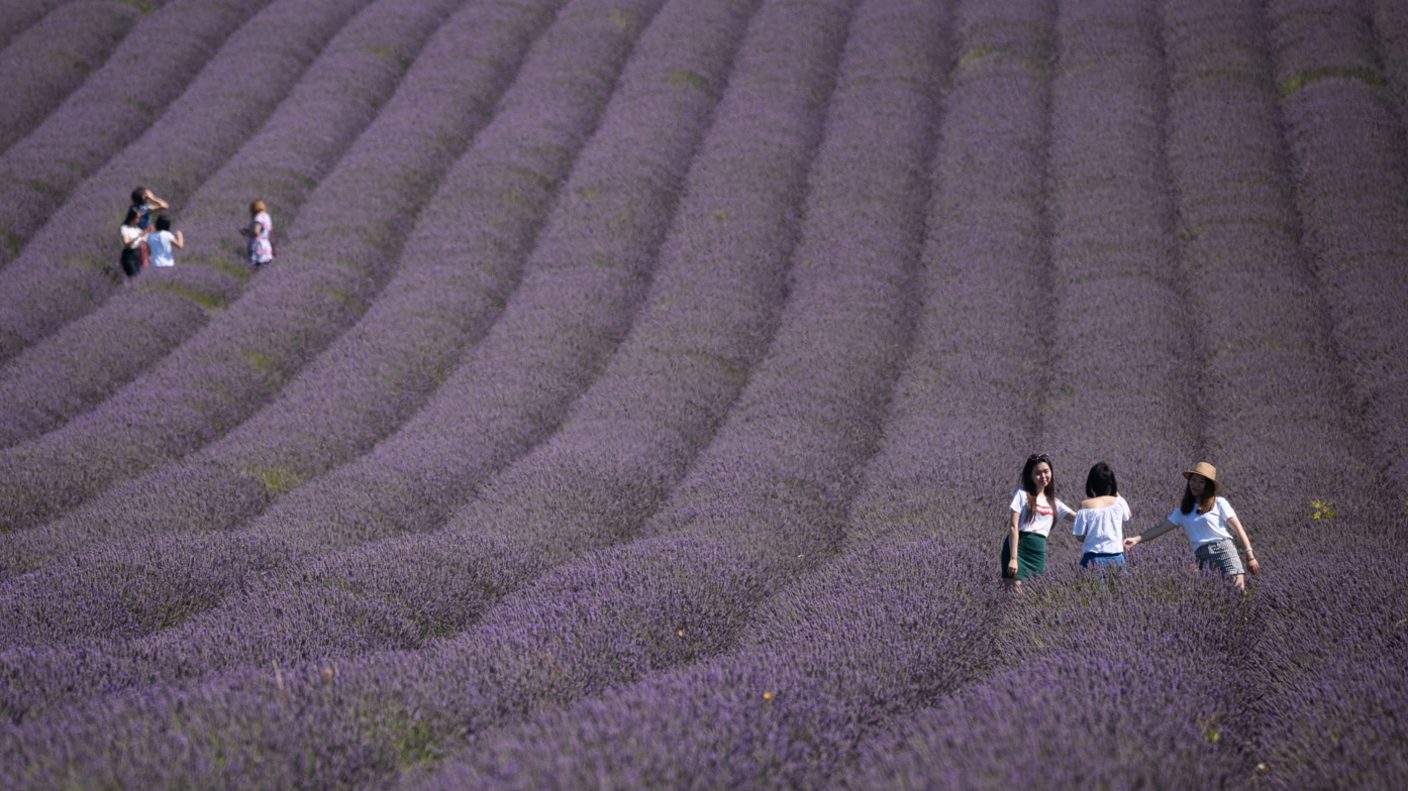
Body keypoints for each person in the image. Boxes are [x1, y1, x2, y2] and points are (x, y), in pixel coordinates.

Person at [1122, 462, 1260, 590]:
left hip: (1225, 553)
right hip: (1203, 559)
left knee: (1236, 598)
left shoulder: (1219, 503)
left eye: (1201, 482)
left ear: (1209, 486)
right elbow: (1160, 528)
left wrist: (1250, 557)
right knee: (1214, 603)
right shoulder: (1184, 510)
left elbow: (1238, 529)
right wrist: (1136, 539)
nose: (1196, 484)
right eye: (1193, 480)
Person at [1003, 453, 1075, 591]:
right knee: (1013, 600)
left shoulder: (1054, 503)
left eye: (1046, 472)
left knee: (1033, 599)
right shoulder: (1022, 494)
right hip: (1018, 549)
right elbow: (1013, 526)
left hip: (1038, 552)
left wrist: (1111, 495)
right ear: (1030, 476)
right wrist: (1013, 558)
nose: (1043, 476)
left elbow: (1081, 518)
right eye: (1037, 473)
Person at [1071, 461, 1130, 571]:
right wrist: (1115, 491)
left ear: (1091, 484)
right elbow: (1128, 515)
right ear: (1112, 483)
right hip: (1117, 558)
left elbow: (1079, 536)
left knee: (1093, 588)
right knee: (1119, 587)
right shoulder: (1120, 502)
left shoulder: (1085, 505)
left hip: (1093, 559)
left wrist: (1093, 539)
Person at [130, 187, 169, 268]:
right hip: (145, 237)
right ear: (144, 197)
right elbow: (164, 206)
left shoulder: (132, 208)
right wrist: (153, 198)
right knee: (150, 260)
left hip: (135, 237)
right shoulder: (145, 208)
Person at [240, 199, 273, 266]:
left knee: (257, 267)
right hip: (266, 246)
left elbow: (256, 232)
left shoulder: (258, 217)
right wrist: (248, 230)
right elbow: (262, 230)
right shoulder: (266, 216)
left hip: (258, 248)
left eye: (251, 208)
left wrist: (246, 233)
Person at [119, 208, 146, 279]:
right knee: (134, 278)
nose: (137, 220)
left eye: (139, 218)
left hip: (137, 255)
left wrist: (149, 233)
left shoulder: (138, 230)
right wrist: (138, 237)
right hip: (128, 256)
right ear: (131, 216)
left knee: (139, 279)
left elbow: (145, 242)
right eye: (136, 217)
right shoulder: (124, 228)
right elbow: (126, 244)